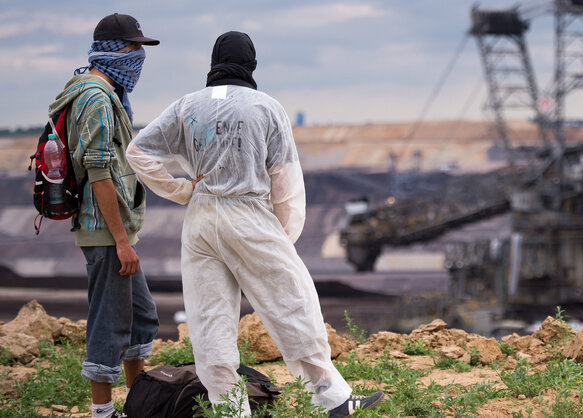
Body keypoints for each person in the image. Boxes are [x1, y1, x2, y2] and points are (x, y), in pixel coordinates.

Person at [126, 31, 384, 417]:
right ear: (251, 65)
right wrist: (282, 236)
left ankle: (231, 411)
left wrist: (181, 190)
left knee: (209, 320)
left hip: (200, 220)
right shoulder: (265, 107)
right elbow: (284, 178)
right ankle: (333, 400)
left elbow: (137, 150)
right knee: (293, 306)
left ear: (213, 63)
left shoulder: (186, 105)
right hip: (247, 214)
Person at [48, 13, 161, 418]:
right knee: (109, 322)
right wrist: (121, 240)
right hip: (106, 231)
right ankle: (104, 412)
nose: (137, 57)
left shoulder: (104, 92)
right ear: (114, 52)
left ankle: (137, 402)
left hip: (114, 231)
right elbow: (98, 173)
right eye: (133, 48)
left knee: (141, 317)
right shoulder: (96, 97)